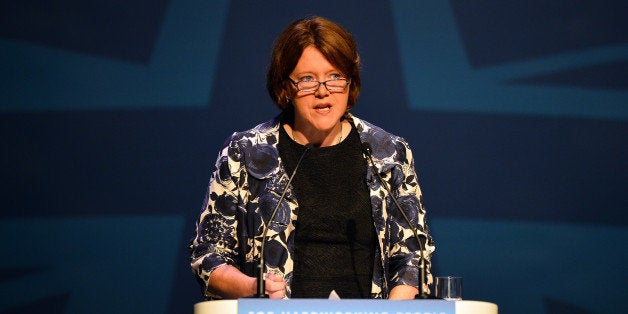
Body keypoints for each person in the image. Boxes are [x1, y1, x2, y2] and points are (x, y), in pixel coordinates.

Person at [189, 16, 434, 300]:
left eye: (335, 76)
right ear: (285, 88)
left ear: (350, 81)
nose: (322, 90)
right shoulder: (245, 152)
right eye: (307, 79)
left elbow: (412, 257)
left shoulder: (389, 153)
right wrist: (253, 288)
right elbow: (208, 254)